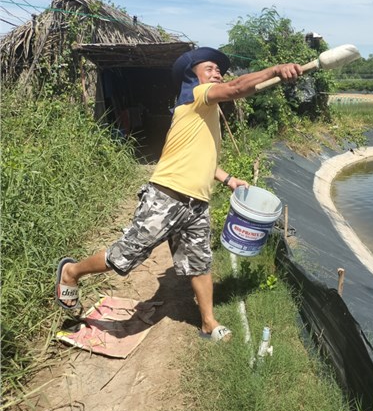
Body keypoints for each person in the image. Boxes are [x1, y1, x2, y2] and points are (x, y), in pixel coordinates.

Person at [55, 47, 302, 341]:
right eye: (209, 68)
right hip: (168, 195)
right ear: (192, 77)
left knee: (200, 262)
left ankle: (209, 323)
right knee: (128, 253)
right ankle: (71, 271)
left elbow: (202, 157)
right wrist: (275, 70)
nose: (216, 73)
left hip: (197, 204)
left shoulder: (203, 115)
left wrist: (228, 179)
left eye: (218, 69)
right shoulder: (196, 96)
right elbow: (236, 88)